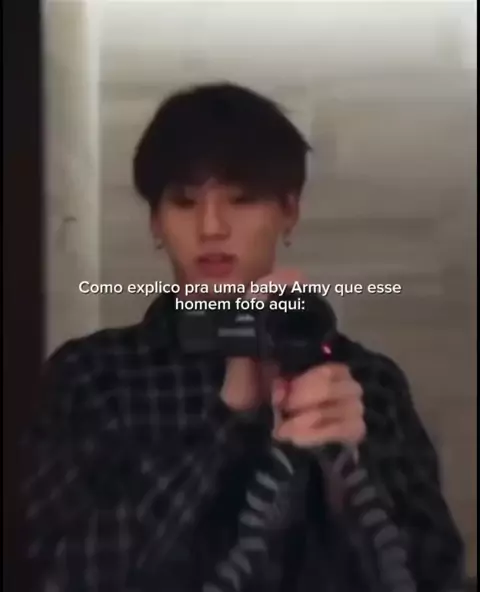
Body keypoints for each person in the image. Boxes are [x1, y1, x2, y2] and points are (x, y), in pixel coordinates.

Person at [22, 83, 467, 592]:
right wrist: (230, 418)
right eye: (184, 202)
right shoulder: (93, 376)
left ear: (289, 211)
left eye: (242, 199)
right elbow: (60, 572)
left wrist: (348, 477)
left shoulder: (369, 383)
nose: (212, 227)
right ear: (156, 222)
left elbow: (437, 573)